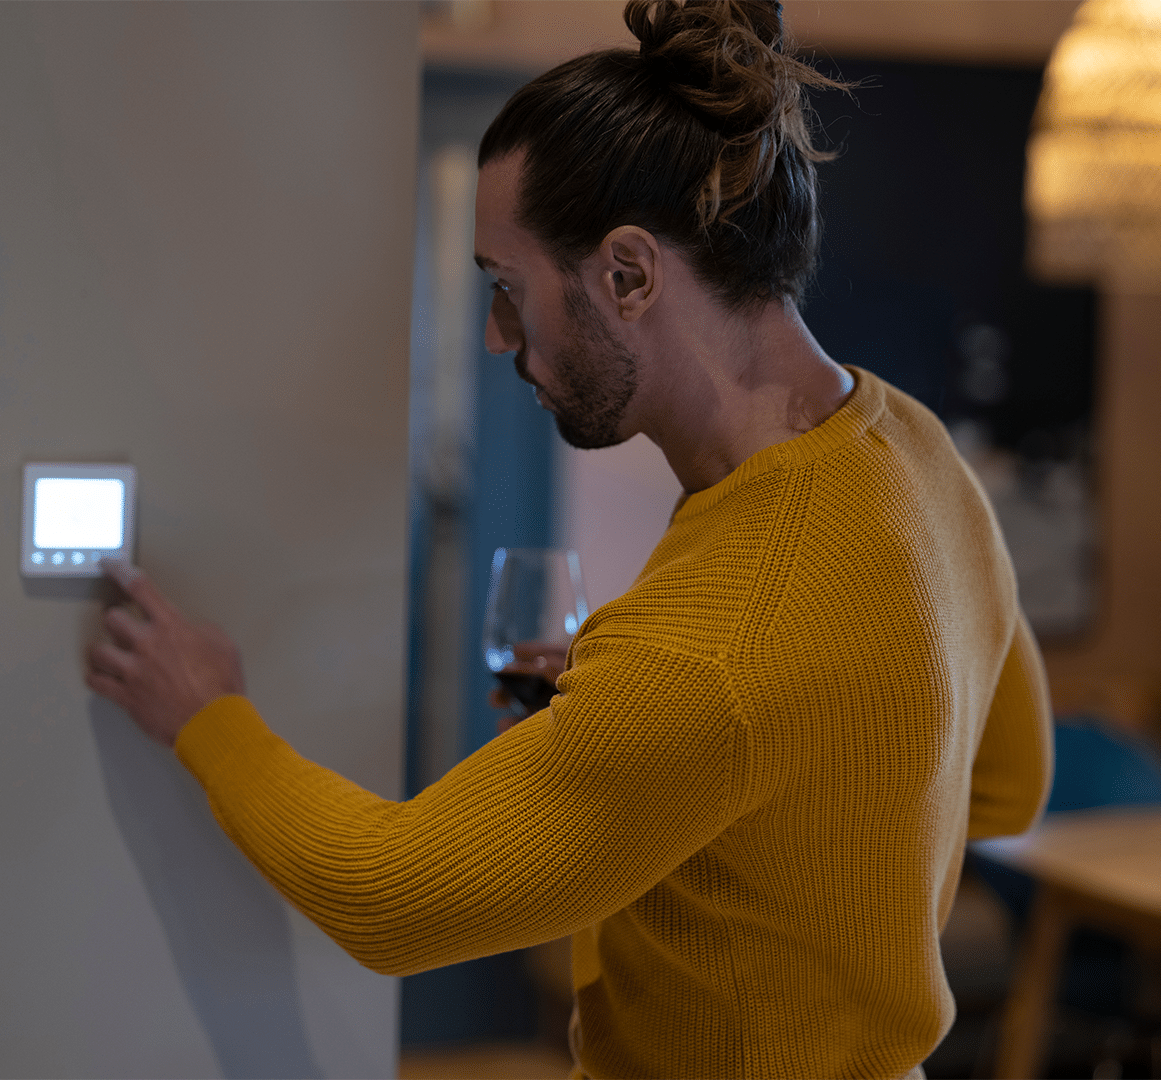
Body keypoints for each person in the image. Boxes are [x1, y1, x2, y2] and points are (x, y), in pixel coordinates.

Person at [85, 2, 1054, 1077]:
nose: (500, 335)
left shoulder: (710, 643)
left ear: (629, 274)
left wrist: (208, 713)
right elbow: (1008, 780)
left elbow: (389, 900)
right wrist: (708, 793)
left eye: (508, 288)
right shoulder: (915, 454)